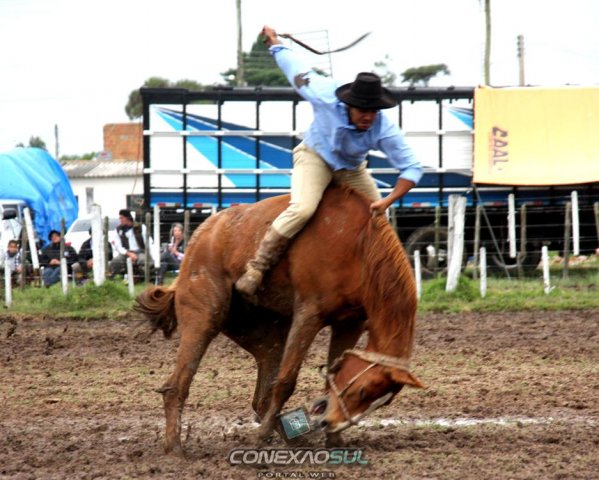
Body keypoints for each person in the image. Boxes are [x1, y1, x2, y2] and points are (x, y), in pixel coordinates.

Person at [235, 25, 423, 296]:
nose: (368, 116)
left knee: (379, 220)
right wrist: (275, 43)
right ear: (349, 104)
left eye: (373, 111)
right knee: (302, 209)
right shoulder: (323, 94)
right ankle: (257, 267)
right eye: (362, 110)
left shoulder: (384, 128)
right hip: (314, 156)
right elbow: (296, 68)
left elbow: (412, 167)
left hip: (352, 168)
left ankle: (379, 285)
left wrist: (387, 201)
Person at [109, 209, 154, 277]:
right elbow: (118, 246)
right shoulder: (118, 230)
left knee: (143, 260)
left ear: (128, 217)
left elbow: (149, 242)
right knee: (116, 261)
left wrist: (150, 254)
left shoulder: (141, 227)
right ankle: (117, 278)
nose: (120, 220)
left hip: (140, 252)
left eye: (122, 218)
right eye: (120, 218)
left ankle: (144, 277)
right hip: (126, 252)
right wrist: (129, 253)